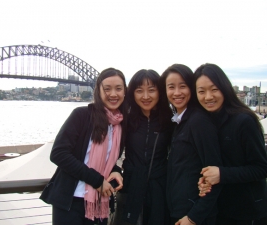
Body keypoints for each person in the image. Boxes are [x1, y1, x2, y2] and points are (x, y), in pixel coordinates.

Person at [40, 67, 128, 225]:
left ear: (124, 92)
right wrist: (97, 181)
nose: (113, 94)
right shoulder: (82, 115)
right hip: (70, 203)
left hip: (100, 203)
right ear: (98, 91)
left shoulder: (120, 125)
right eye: (107, 89)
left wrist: (116, 170)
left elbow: (110, 159)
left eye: (118, 89)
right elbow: (59, 153)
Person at [195, 63, 267, 225]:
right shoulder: (205, 122)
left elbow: (261, 167)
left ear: (225, 88)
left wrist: (221, 174)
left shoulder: (244, 121)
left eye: (214, 89)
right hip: (220, 210)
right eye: (201, 91)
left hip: (247, 213)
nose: (208, 97)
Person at [161, 64, 223, 225]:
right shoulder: (180, 122)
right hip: (180, 211)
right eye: (171, 87)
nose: (177, 93)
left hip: (194, 216)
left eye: (183, 86)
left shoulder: (199, 122)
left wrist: (193, 217)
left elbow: (214, 176)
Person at [113, 69, 173, 225]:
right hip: (131, 187)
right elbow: (112, 154)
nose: (146, 97)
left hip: (160, 188)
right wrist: (115, 170)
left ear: (160, 92)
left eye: (151, 90)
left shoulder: (170, 121)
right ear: (132, 93)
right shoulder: (125, 120)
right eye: (139, 91)